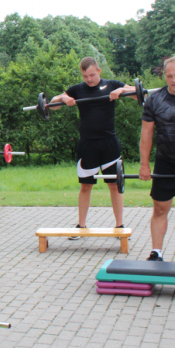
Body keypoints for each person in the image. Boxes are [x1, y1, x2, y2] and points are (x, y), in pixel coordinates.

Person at [50, 57, 136, 237]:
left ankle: (119, 226)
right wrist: (64, 98)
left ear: (99, 71)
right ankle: (81, 226)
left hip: (109, 143)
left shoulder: (112, 85)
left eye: (92, 75)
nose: (89, 79)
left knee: (114, 185)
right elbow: (52, 104)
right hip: (87, 144)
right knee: (85, 186)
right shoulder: (77, 89)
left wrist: (122, 90)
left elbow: (138, 93)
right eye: (85, 76)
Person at [140, 56, 175, 261]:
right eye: (169, 76)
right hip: (165, 162)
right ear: (164, 76)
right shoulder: (154, 100)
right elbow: (146, 134)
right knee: (160, 208)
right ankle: (156, 252)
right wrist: (144, 165)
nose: (173, 80)